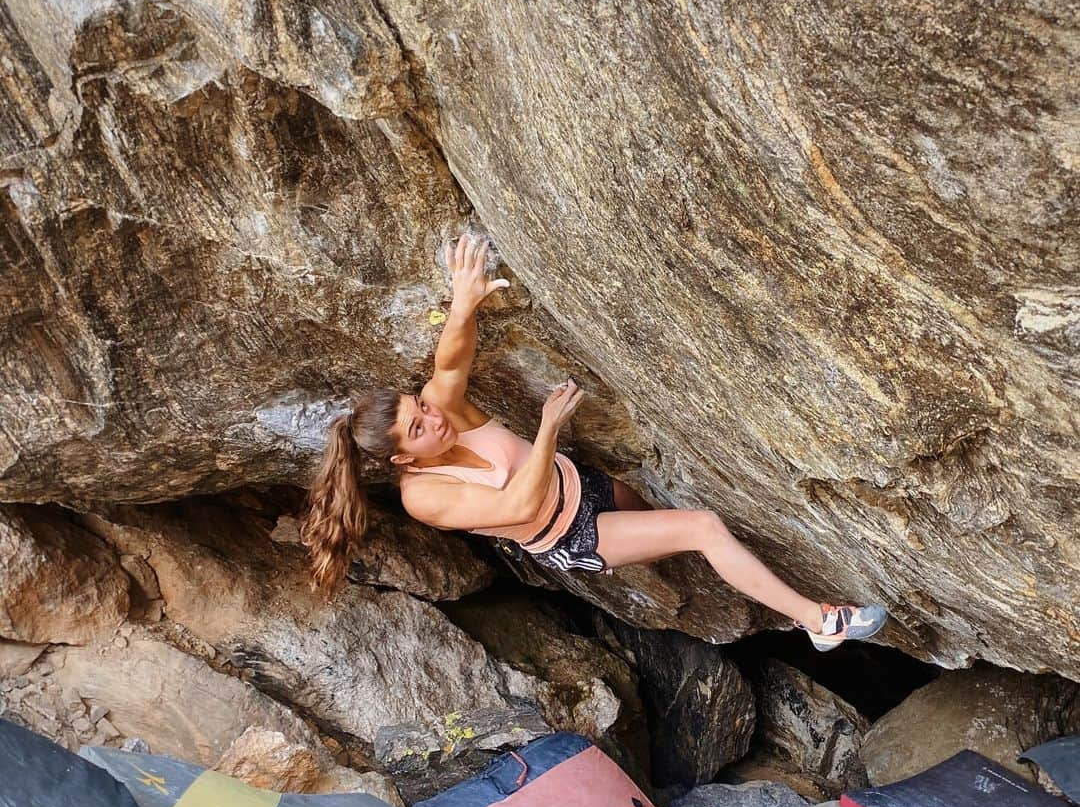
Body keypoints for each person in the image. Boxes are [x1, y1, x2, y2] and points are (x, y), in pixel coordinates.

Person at [301, 235, 888, 650]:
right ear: (405, 458)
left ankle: (703, 567)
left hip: (591, 488)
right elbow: (518, 508)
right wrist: (548, 429)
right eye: (418, 427)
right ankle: (820, 622)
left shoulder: (446, 408)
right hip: (571, 533)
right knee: (701, 527)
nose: (432, 417)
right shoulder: (423, 497)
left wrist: (463, 300)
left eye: (420, 407)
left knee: (672, 523)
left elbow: (450, 361)